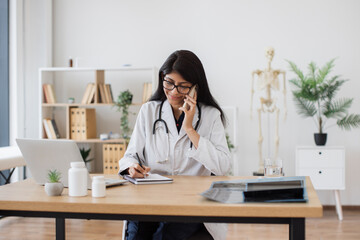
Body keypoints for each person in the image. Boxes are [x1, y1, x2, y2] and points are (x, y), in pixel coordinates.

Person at [118, 50, 232, 240]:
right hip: (150, 199)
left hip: (191, 203)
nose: (173, 92)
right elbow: (131, 155)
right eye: (169, 83)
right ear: (162, 77)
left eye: (183, 86)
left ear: (195, 87)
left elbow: (222, 166)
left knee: (164, 236)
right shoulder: (149, 111)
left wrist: (190, 129)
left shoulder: (211, 116)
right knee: (136, 235)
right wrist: (132, 167)